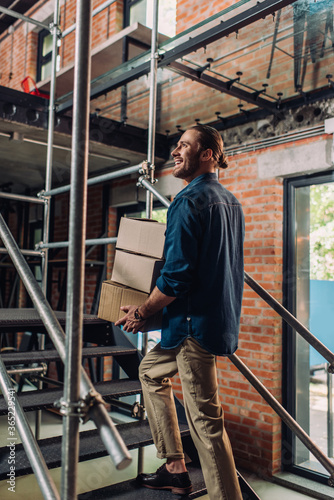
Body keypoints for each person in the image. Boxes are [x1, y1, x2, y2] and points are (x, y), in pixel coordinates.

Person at [115, 124, 244, 499]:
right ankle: (175, 468)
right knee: (150, 371)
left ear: (207, 154)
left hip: (192, 328)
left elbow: (176, 276)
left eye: (185, 145)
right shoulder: (230, 202)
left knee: (206, 422)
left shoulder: (188, 202)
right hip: (209, 321)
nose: (176, 150)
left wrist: (142, 311)